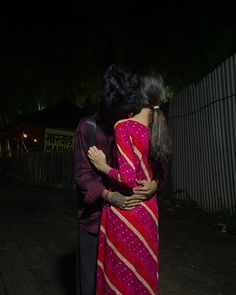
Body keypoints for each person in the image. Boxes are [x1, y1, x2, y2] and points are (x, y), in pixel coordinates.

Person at [88, 65, 171, 295]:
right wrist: (154, 185)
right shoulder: (157, 126)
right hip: (149, 211)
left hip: (128, 212)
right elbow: (161, 174)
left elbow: (127, 179)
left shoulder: (123, 126)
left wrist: (103, 166)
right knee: (142, 273)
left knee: (121, 276)